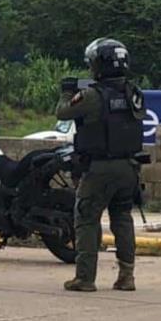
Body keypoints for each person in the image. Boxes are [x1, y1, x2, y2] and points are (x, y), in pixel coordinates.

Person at [56, 38, 145, 292]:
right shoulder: (134, 93)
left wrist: (67, 91)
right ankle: (127, 276)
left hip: (99, 168)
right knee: (122, 218)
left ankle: (85, 277)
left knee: (86, 218)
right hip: (129, 167)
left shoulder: (92, 96)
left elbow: (62, 112)